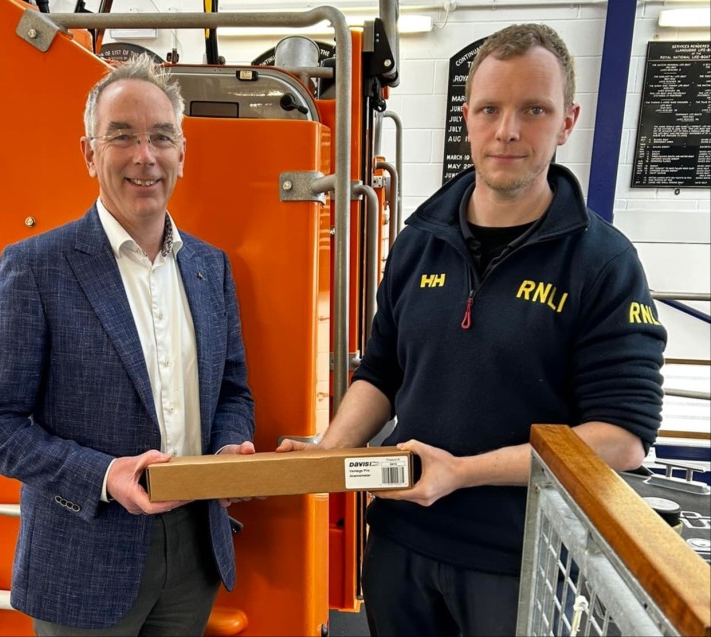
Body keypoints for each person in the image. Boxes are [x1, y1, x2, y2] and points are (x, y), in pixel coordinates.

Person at [278, 23, 666, 636]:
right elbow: (382, 372)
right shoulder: (419, 241)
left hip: (516, 562)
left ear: (567, 122)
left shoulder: (603, 263)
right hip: (400, 542)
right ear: (467, 118)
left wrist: (462, 471)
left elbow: (623, 438)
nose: (507, 130)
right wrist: (329, 453)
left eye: (534, 110)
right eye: (490, 109)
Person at [0, 54, 256, 636]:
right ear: (89, 153)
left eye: (161, 137)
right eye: (122, 137)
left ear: (182, 152)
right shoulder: (37, 267)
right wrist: (103, 474)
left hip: (195, 552)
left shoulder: (209, 267)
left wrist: (227, 450)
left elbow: (232, 390)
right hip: (83, 555)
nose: (145, 156)